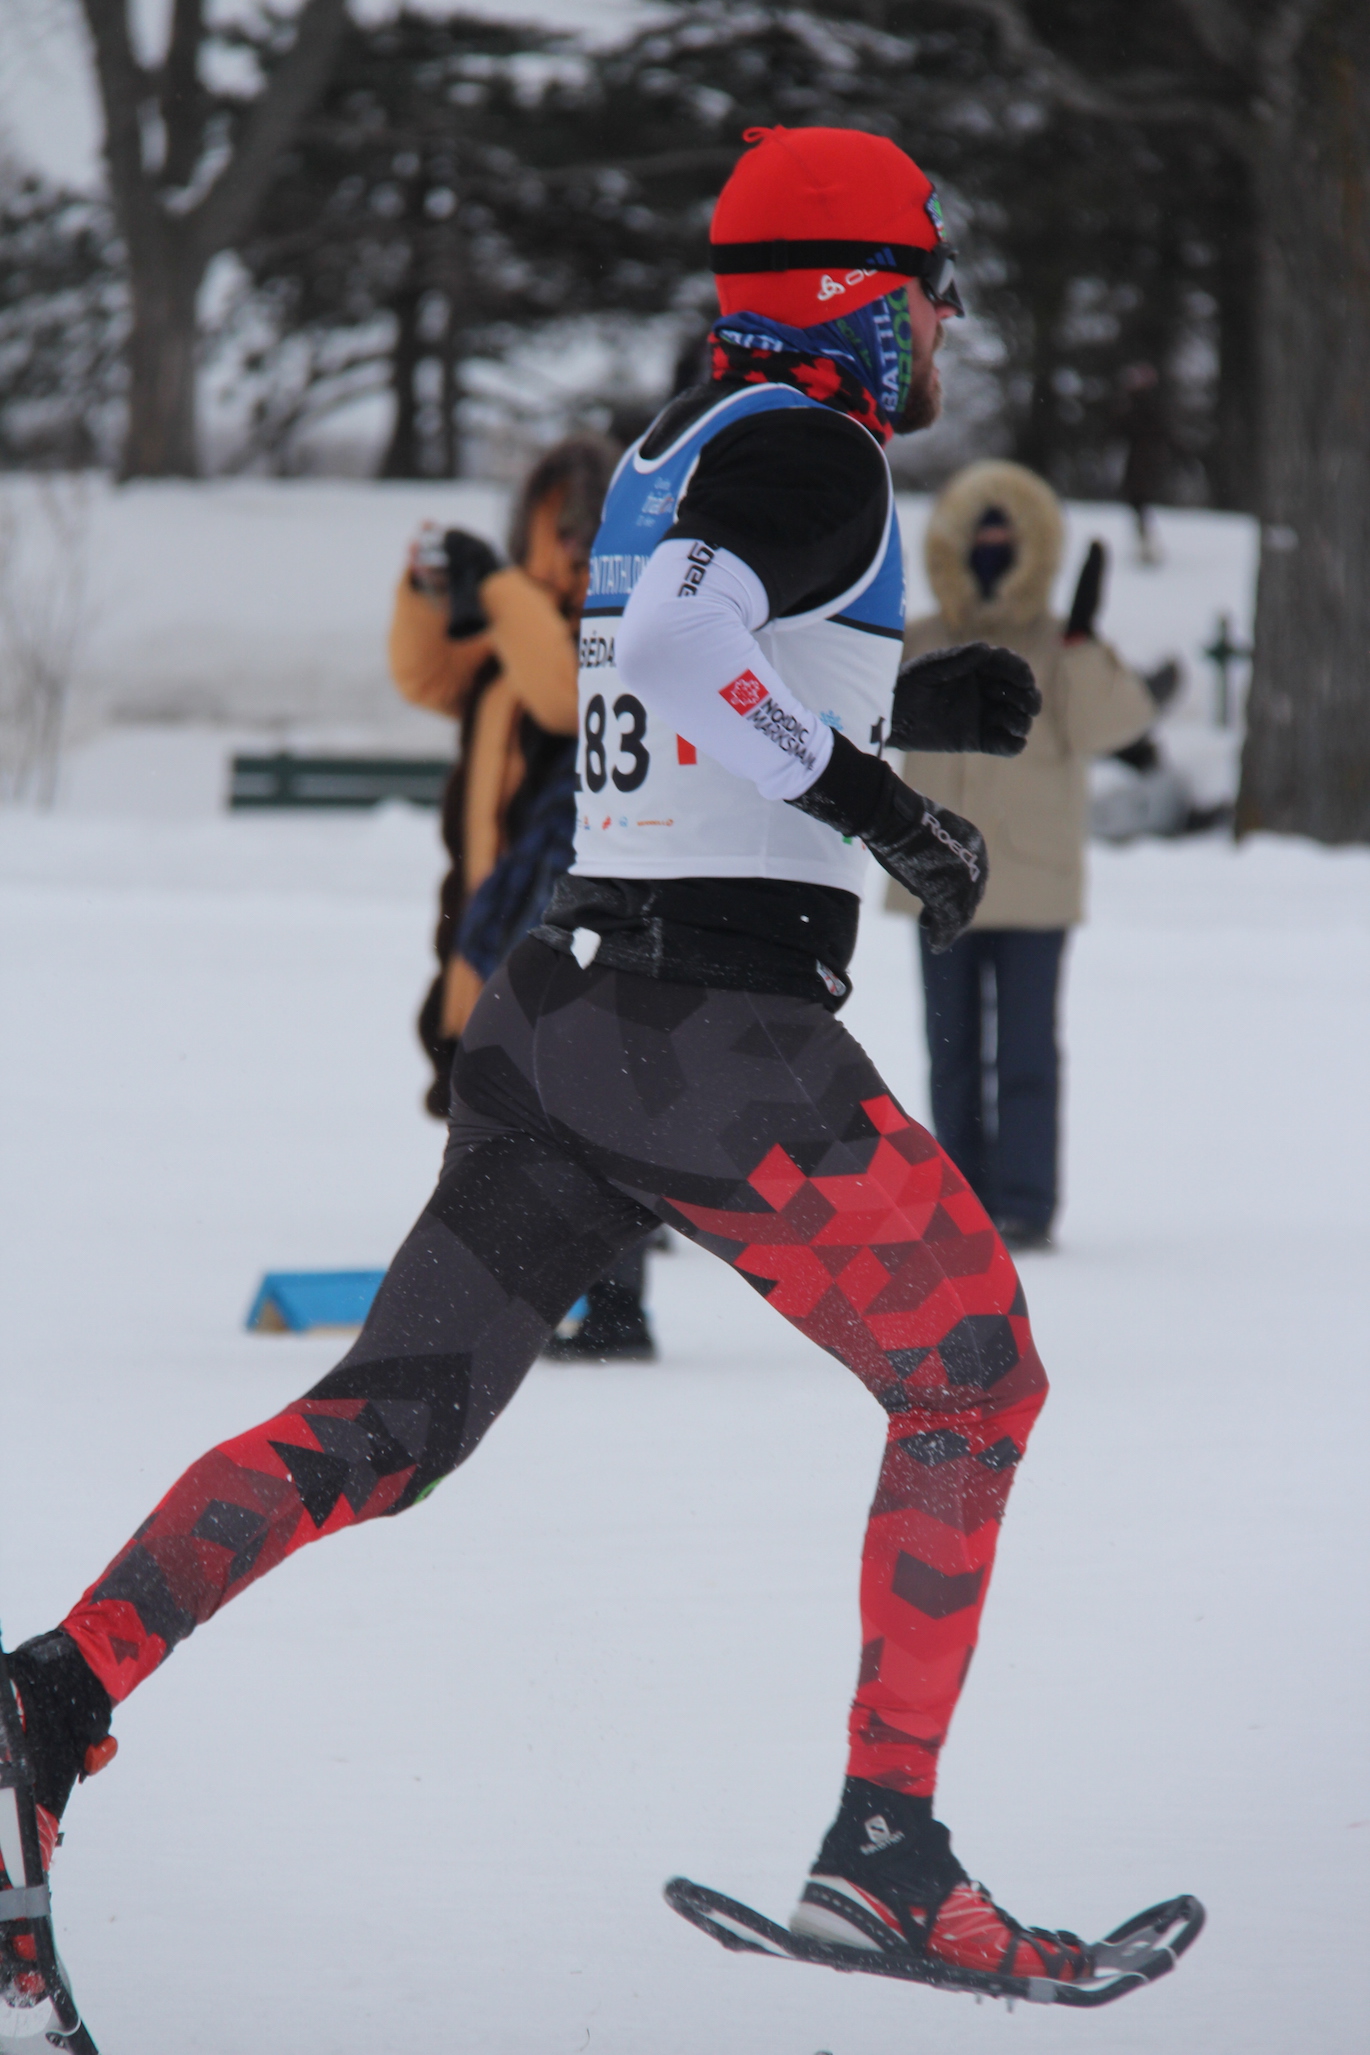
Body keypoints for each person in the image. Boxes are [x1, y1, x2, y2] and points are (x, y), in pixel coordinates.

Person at [4, 127, 1121, 2029]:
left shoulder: (679, 442)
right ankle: (886, 1851)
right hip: (711, 1042)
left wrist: (898, 697)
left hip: (566, 1022)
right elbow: (688, 645)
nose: (947, 323)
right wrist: (884, 806)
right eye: (933, 287)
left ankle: (48, 1696)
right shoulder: (822, 449)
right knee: (974, 1377)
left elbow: (671, 658)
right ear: (858, 296)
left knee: (382, 1428)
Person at [388, 439, 655, 1360]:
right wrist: (430, 594)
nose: (569, 551)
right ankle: (506, 1291)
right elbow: (427, 676)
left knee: (589, 1098)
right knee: (507, 1104)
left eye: (583, 533)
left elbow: (560, 699)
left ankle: (615, 1303)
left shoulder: (615, 629)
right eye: (556, 532)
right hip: (495, 904)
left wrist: (500, 590)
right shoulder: (516, 626)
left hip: (578, 909)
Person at [886, 460, 1153, 1250]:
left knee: (1028, 1054)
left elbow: (1117, 725)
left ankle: (1028, 1204)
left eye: (1007, 533)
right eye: (980, 532)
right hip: (939, 879)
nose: (992, 547)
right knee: (951, 1053)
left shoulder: (1059, 644)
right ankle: (963, 1201)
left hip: (1034, 883)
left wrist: (1083, 643)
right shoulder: (921, 640)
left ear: (1032, 544)